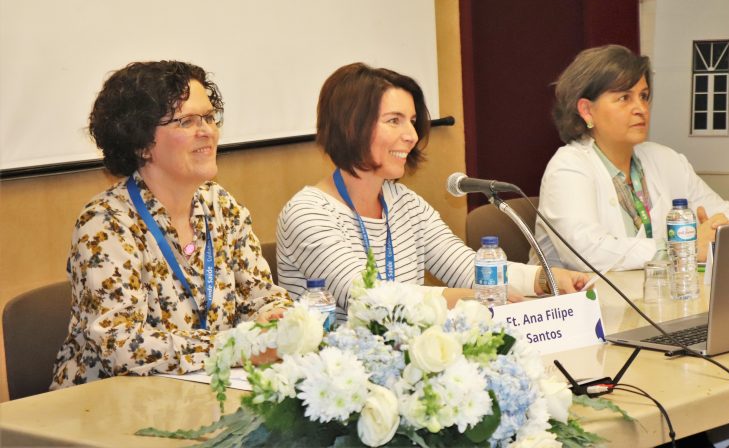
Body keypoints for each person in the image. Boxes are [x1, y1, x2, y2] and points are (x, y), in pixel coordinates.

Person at [277, 63, 587, 321]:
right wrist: (468, 299)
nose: (412, 136)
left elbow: (464, 267)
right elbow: (367, 298)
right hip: (335, 369)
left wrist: (543, 278)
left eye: (412, 122)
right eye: (394, 121)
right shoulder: (309, 213)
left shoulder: (404, 202)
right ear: (351, 126)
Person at [51, 61, 290, 389]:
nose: (207, 131)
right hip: (110, 402)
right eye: (186, 121)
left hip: (204, 391)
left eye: (209, 117)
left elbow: (261, 297)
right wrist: (235, 346)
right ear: (141, 143)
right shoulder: (106, 223)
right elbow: (122, 346)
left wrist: (276, 319)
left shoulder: (221, 206)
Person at [532, 45, 729, 272]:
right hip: (581, 294)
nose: (641, 108)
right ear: (586, 110)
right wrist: (683, 246)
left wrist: (716, 229)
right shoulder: (568, 168)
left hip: (654, 292)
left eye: (643, 96)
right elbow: (587, 253)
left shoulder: (665, 159)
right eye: (624, 98)